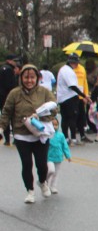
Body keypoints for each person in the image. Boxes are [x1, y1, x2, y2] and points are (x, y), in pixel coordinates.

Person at [0, 63, 57, 203]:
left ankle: (42, 182)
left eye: (32, 77)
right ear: (21, 78)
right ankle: (30, 191)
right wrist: (1, 128)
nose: (29, 80)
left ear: (37, 78)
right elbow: (6, 112)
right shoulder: (14, 93)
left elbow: (54, 109)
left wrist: (40, 115)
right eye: (26, 77)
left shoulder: (44, 92)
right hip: (21, 134)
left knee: (42, 164)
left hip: (40, 134)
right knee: (26, 164)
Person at [56, 55, 89, 144]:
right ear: (74, 63)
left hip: (62, 98)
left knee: (65, 118)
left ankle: (66, 137)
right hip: (70, 97)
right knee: (72, 118)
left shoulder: (63, 69)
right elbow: (72, 86)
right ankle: (73, 138)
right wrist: (83, 95)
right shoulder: (68, 71)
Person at [0, 54, 20, 145]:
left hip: (2, 96)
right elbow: (10, 85)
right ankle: (14, 138)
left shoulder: (2, 68)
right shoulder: (9, 70)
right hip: (8, 96)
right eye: (14, 61)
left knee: (5, 116)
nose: (16, 63)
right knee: (13, 118)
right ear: (9, 60)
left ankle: (7, 139)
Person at [46, 125, 71, 195]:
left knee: (55, 173)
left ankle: (53, 186)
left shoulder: (61, 135)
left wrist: (68, 155)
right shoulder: (47, 135)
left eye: (56, 125)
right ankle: (45, 181)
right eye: (53, 125)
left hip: (58, 157)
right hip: (49, 157)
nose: (54, 126)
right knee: (51, 170)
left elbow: (64, 145)